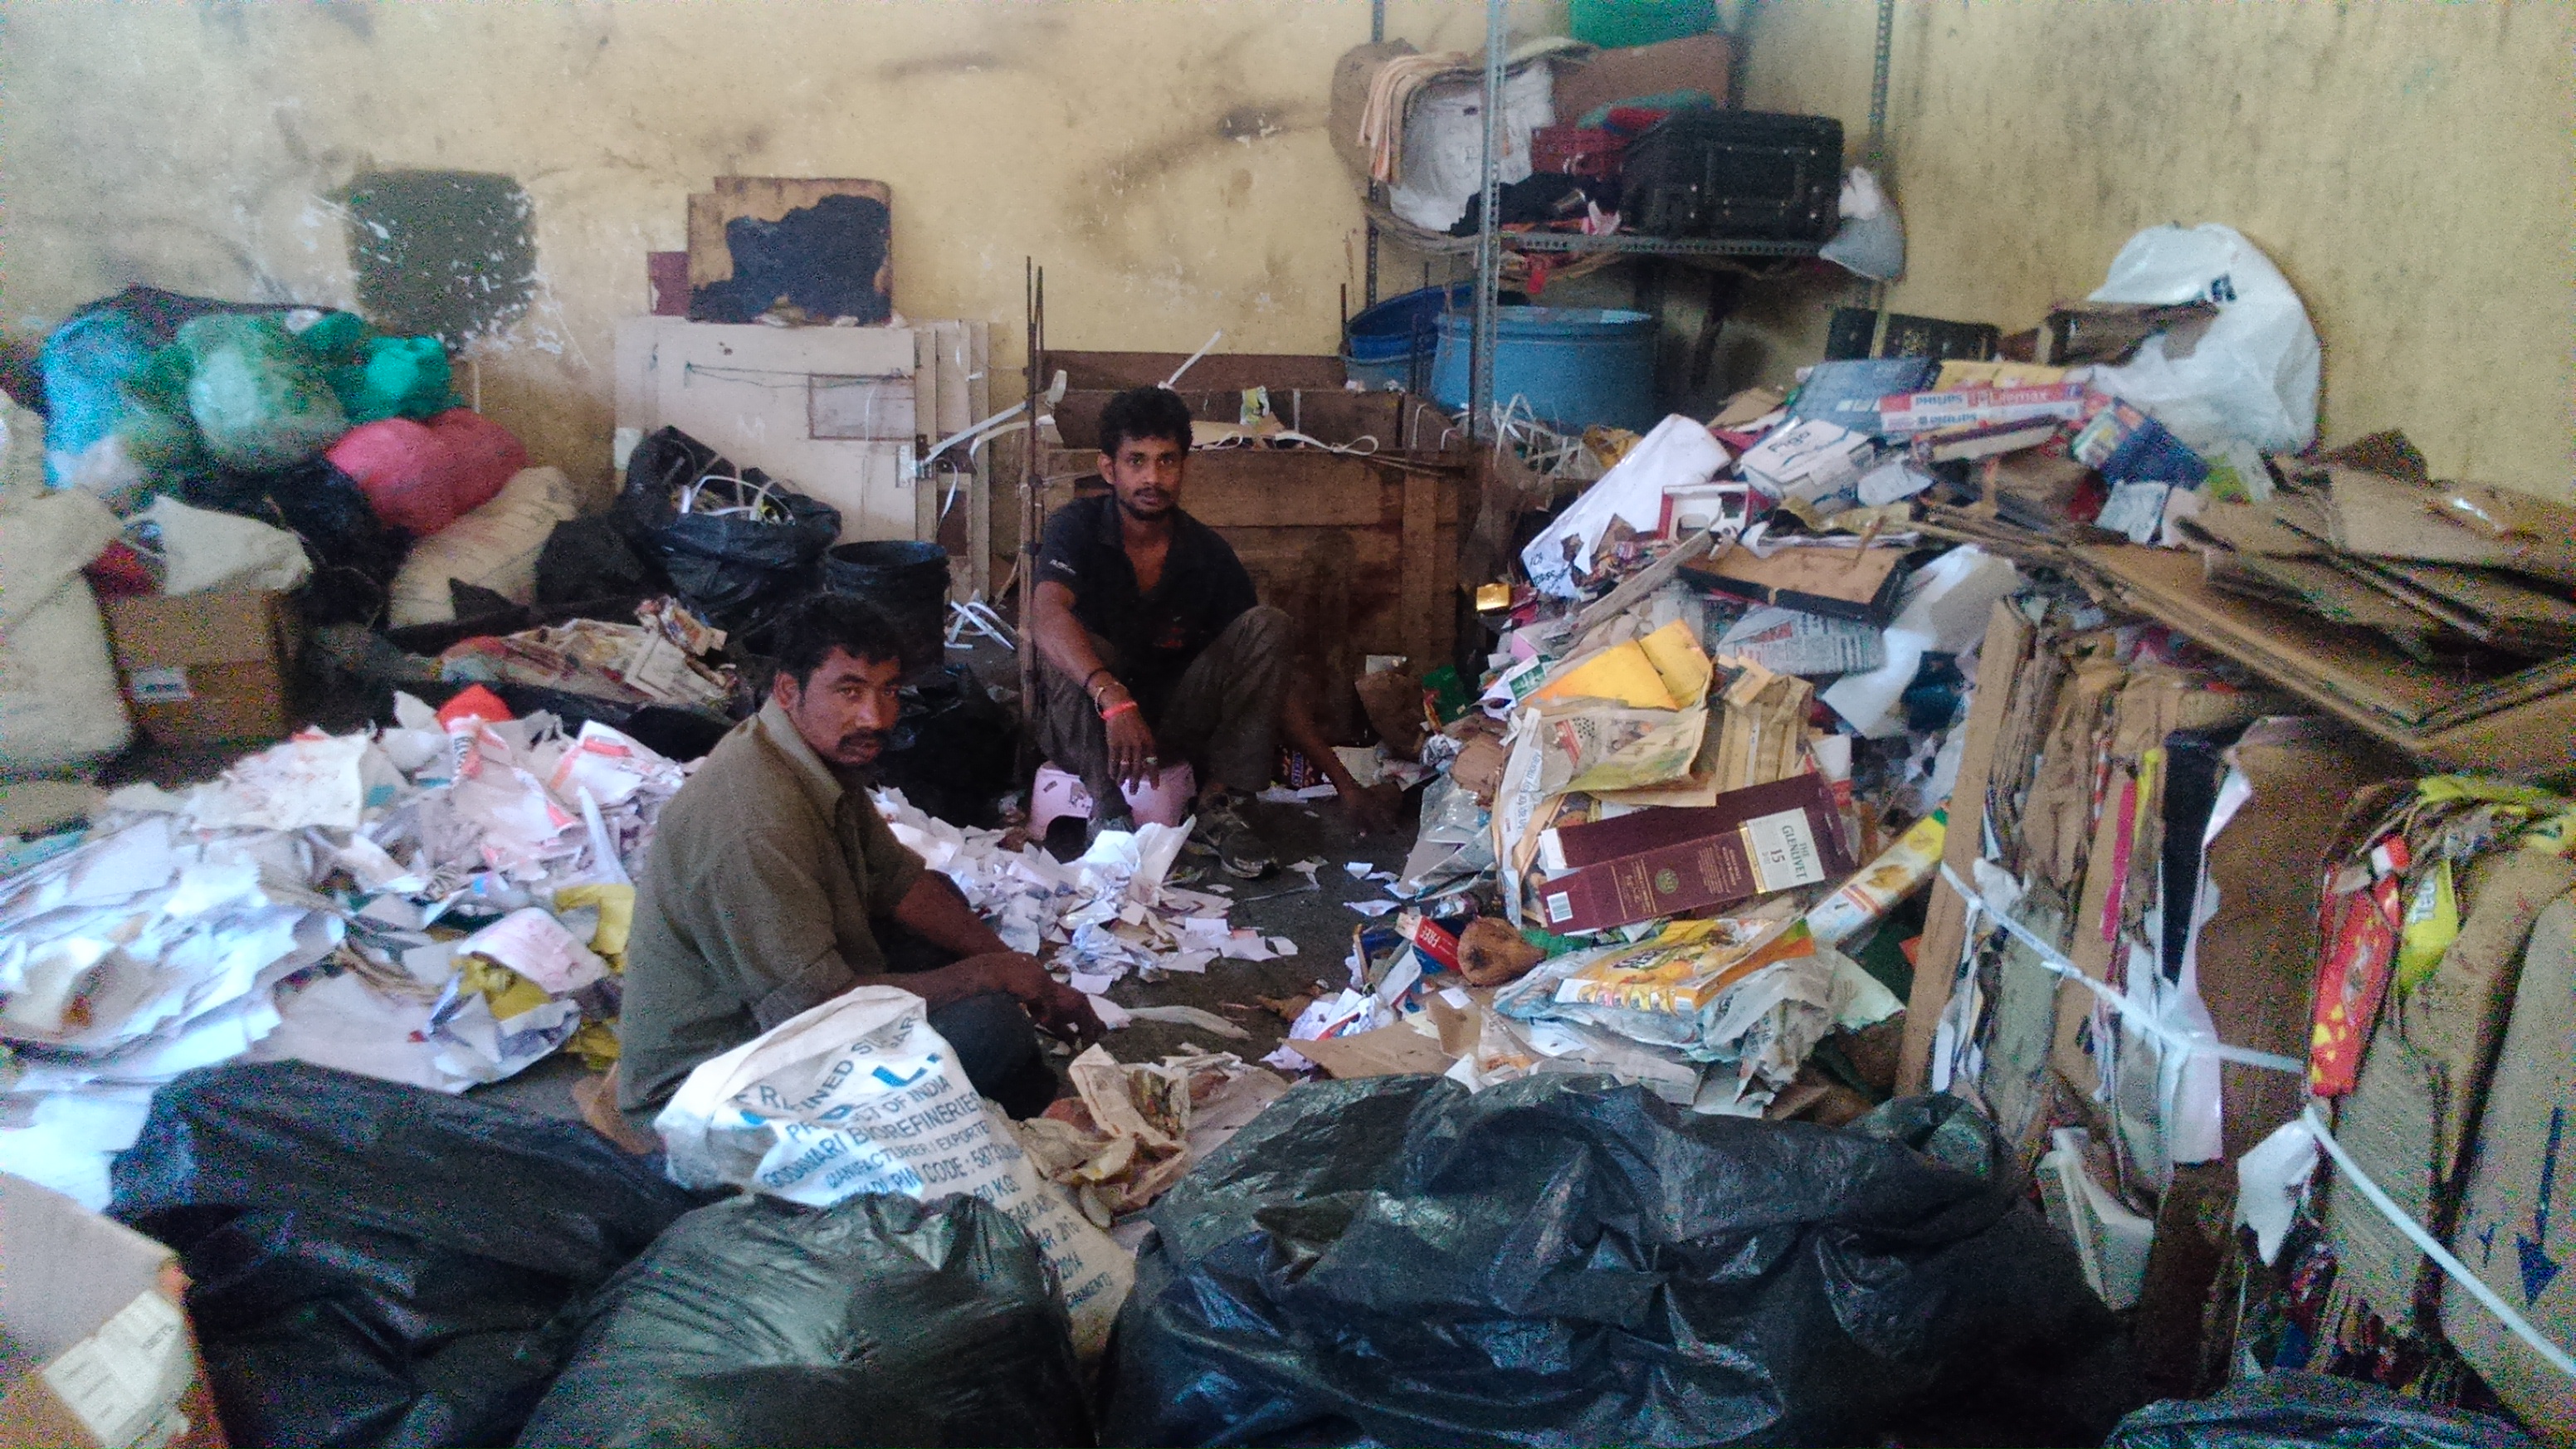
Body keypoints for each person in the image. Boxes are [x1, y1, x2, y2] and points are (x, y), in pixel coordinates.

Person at [617, 595, 1103, 1135]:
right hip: (709, 1095)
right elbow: (812, 1010)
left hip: (785, 1018)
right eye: (848, 691)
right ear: (787, 690)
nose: (874, 717)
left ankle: (1019, 1109)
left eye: (888, 691)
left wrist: (1026, 974)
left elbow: (901, 883)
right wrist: (988, 975)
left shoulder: (808, 751)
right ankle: (1014, 1117)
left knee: (945, 906)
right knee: (988, 1028)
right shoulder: (754, 824)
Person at [1028, 384, 1394, 879]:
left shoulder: (1206, 554)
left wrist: (1344, 782)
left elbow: (1269, 678)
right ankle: (1107, 811)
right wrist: (1111, 698)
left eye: (1167, 461)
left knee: (1268, 625)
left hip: (1171, 729)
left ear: (1184, 467)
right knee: (1070, 638)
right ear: (1108, 468)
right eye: (1136, 461)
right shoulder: (1074, 526)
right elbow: (1047, 614)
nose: (1152, 478)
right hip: (1087, 728)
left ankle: (1221, 805)